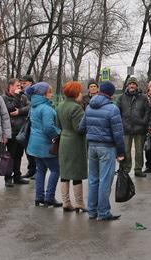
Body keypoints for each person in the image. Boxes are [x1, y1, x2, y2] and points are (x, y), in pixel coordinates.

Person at [78, 81, 125, 221]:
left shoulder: (89, 106)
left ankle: (92, 211)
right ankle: (103, 212)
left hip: (91, 147)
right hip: (107, 148)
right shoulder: (112, 109)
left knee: (93, 179)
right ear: (111, 94)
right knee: (105, 180)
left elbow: (81, 128)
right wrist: (121, 152)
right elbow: (118, 134)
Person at [25, 82, 62, 207]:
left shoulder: (34, 106)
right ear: (43, 94)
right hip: (45, 144)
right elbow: (48, 128)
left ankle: (39, 197)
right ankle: (49, 197)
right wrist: (58, 134)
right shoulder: (46, 108)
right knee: (56, 170)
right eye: (49, 92)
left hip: (34, 143)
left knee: (40, 170)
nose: (51, 94)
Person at [56, 81, 88, 212]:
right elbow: (79, 128)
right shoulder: (76, 108)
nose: (81, 94)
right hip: (75, 143)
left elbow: (58, 126)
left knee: (64, 173)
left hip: (63, 141)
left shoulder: (60, 106)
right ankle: (79, 203)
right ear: (75, 93)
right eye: (80, 92)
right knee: (76, 173)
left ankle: (66, 202)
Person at [117, 77, 150, 178]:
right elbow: (117, 112)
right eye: (130, 84)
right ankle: (126, 169)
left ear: (136, 86)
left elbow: (147, 111)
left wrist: (144, 122)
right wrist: (121, 123)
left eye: (134, 84)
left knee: (139, 151)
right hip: (126, 129)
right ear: (127, 85)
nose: (132, 86)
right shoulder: (121, 97)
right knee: (126, 150)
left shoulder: (143, 98)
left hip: (139, 129)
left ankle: (138, 169)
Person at [2, 78, 30, 187]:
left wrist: (20, 112)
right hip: (11, 130)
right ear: (10, 86)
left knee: (19, 155)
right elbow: (11, 108)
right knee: (10, 155)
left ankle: (17, 177)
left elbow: (30, 107)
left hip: (21, 130)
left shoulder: (23, 97)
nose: (20, 87)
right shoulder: (4, 98)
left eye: (20, 85)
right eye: (17, 85)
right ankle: (8, 178)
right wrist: (18, 97)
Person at [19, 74, 37, 179]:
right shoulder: (22, 93)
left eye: (24, 83)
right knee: (27, 148)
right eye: (21, 83)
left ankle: (37, 170)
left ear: (30, 83)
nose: (22, 85)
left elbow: (31, 106)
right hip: (24, 123)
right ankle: (31, 169)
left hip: (32, 123)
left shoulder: (33, 92)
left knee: (33, 148)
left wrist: (20, 111)